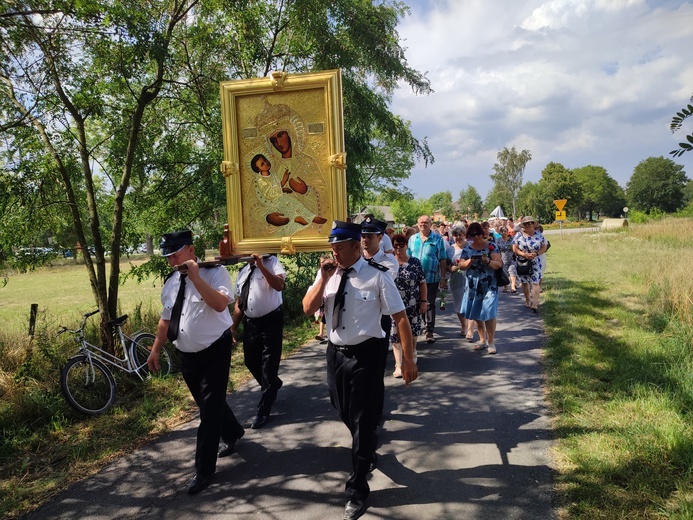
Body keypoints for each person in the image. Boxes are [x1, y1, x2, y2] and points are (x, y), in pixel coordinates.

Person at [302, 221, 418, 520]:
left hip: (367, 355)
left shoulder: (377, 277)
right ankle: (365, 446)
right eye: (332, 247)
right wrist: (323, 278)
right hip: (336, 353)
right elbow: (306, 308)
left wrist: (407, 359)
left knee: (362, 420)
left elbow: (401, 318)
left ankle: (356, 489)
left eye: (339, 248)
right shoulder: (327, 274)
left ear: (357, 247)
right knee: (341, 408)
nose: (334, 253)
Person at [147, 230, 245, 495]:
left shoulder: (214, 273)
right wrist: (155, 350)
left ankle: (204, 470)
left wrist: (196, 278)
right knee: (206, 402)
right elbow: (165, 319)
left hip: (215, 349)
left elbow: (219, 304)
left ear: (191, 250)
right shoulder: (171, 282)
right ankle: (234, 431)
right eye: (167, 256)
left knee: (209, 410)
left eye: (175, 254)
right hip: (187, 354)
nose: (171, 260)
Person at [231, 253, 286, 429]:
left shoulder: (272, 263)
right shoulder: (243, 271)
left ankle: (263, 410)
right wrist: (232, 328)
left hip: (271, 321)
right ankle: (272, 385)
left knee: (269, 366)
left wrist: (261, 266)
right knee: (250, 361)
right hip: (251, 323)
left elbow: (279, 285)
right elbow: (240, 302)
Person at [250, 153, 327, 231]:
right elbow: (269, 193)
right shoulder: (261, 180)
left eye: (265, 160)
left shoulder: (272, 174)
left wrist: (283, 189)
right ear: (258, 170)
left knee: (296, 203)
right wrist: (284, 181)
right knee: (288, 206)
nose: (266, 163)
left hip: (280, 196)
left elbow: (276, 186)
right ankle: (296, 217)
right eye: (262, 164)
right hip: (273, 202)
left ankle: (312, 217)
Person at [458, 222, 503, 354]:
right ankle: (482, 340)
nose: (476, 237)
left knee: (489, 312)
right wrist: (470, 260)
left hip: (489, 284)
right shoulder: (467, 249)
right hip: (473, 285)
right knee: (477, 312)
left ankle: (491, 342)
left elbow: (498, 264)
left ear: (482, 233)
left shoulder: (491, 246)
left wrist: (487, 261)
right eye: (472, 235)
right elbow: (461, 266)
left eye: (478, 234)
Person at [389, 233, 426, 378]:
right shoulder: (389, 263)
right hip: (394, 304)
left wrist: (423, 301)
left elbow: (422, 283)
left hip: (413, 304)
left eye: (401, 245)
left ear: (406, 245)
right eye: (396, 245)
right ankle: (398, 364)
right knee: (395, 334)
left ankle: (410, 354)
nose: (399, 248)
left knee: (413, 333)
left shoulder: (415, 262)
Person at [407, 215, 448, 343]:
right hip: (414, 279)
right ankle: (420, 326)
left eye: (426, 222)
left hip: (431, 278)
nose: (423, 224)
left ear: (430, 224)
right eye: (421, 223)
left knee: (429, 304)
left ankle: (429, 331)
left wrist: (443, 276)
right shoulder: (412, 239)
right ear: (417, 224)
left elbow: (442, 258)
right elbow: (407, 257)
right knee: (417, 303)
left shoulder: (437, 239)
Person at [512, 216, 548, 312]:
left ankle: (535, 303)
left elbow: (544, 246)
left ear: (533, 224)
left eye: (530, 223)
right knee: (524, 282)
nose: (528, 225)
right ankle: (527, 299)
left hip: (536, 261)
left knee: (535, 282)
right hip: (523, 261)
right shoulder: (519, 235)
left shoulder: (539, 234)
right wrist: (523, 254)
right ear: (523, 225)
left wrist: (536, 253)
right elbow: (514, 248)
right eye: (526, 224)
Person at [447, 225, 470, 338]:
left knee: (470, 302)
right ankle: (463, 325)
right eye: (455, 235)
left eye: (460, 235)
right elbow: (446, 264)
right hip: (456, 279)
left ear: (464, 235)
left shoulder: (470, 246)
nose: (458, 237)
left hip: (470, 278)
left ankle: (470, 328)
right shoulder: (450, 249)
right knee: (458, 304)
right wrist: (450, 268)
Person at [497, 225, 518, 294]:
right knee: (505, 273)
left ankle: (513, 286)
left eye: (505, 231)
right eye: (502, 231)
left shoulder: (511, 239)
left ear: (507, 232)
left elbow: (515, 248)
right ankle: (505, 287)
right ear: (500, 232)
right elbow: (497, 250)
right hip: (502, 258)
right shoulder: (498, 240)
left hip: (511, 258)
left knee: (512, 271)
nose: (504, 233)